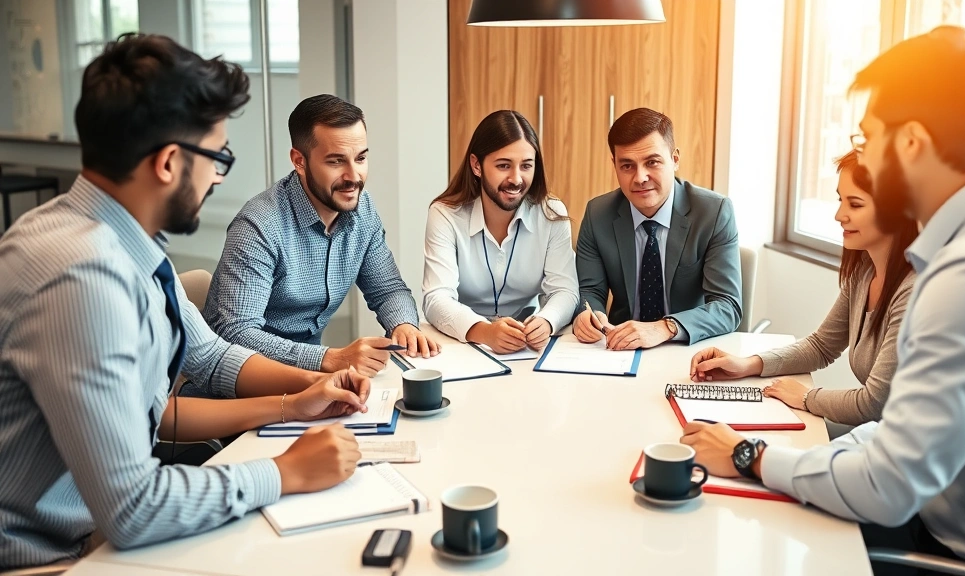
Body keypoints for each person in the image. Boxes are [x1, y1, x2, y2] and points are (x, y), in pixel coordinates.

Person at [0, 35, 371, 570]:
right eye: (217, 156)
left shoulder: (127, 241)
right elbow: (134, 508)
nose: (219, 176)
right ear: (170, 162)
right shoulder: (80, 278)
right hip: (49, 557)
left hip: (90, 531)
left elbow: (209, 358)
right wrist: (285, 472)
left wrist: (310, 388)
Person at [681, 26, 965, 574]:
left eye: (869, 139)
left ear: (910, 142)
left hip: (964, 556)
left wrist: (749, 455)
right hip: (940, 519)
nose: (862, 155)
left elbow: (886, 486)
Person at [203, 95, 439, 378]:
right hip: (243, 385)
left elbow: (388, 289)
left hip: (311, 378)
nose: (354, 176)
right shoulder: (258, 227)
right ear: (299, 161)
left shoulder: (362, 210)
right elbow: (237, 333)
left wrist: (403, 325)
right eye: (336, 161)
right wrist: (328, 357)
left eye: (361, 158)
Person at [690, 151, 918, 429]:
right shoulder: (864, 271)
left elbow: (873, 403)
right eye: (840, 200)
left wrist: (807, 397)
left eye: (855, 204)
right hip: (875, 432)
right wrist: (748, 364)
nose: (839, 215)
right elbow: (821, 346)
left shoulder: (911, 292)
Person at [572, 107, 741, 350]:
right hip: (620, 349)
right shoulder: (597, 214)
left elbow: (728, 305)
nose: (640, 177)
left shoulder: (714, 213)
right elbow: (589, 290)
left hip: (688, 348)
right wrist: (588, 316)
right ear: (614, 165)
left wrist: (664, 327)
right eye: (627, 166)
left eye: (652, 162)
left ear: (675, 159)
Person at [422, 110, 578, 353]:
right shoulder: (445, 214)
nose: (516, 179)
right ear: (476, 165)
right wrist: (484, 332)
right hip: (462, 342)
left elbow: (565, 290)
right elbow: (436, 298)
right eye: (504, 165)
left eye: (526, 165)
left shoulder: (551, 214)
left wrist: (546, 321)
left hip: (526, 343)